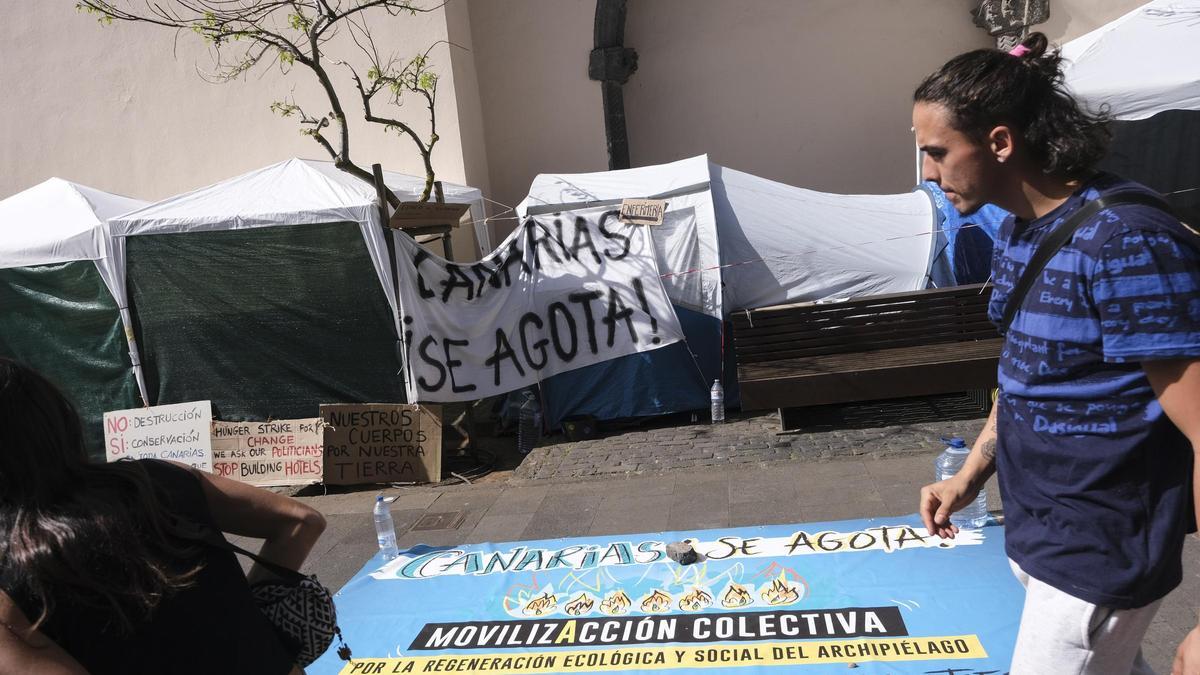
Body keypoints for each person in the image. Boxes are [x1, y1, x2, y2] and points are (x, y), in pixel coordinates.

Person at [913, 33, 1200, 674]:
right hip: (1040, 531)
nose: (928, 173)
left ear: (1001, 142)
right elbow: (1023, 378)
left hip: (1099, 549)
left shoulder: (1127, 240)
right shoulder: (1016, 229)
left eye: (936, 153)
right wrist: (969, 476)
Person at [0, 358, 327, 674]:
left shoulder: (9, 581)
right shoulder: (156, 479)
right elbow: (302, 520)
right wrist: (243, 622)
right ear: (58, 417)